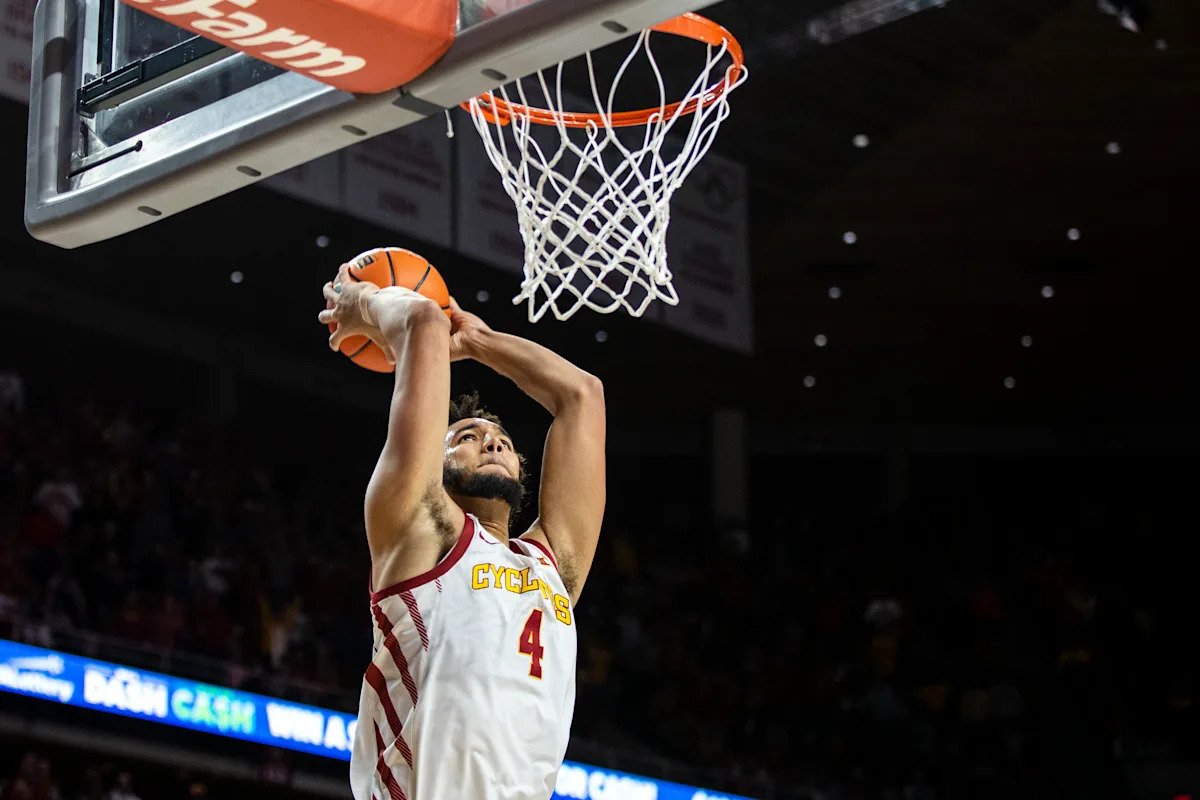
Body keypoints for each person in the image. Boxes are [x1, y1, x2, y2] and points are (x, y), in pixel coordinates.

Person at [317, 262, 606, 800]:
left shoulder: (554, 567)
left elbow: (582, 397)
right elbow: (424, 322)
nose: (492, 442)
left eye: (500, 438)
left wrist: (481, 340)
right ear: (434, 460)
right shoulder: (421, 528)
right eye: (467, 436)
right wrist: (362, 306)